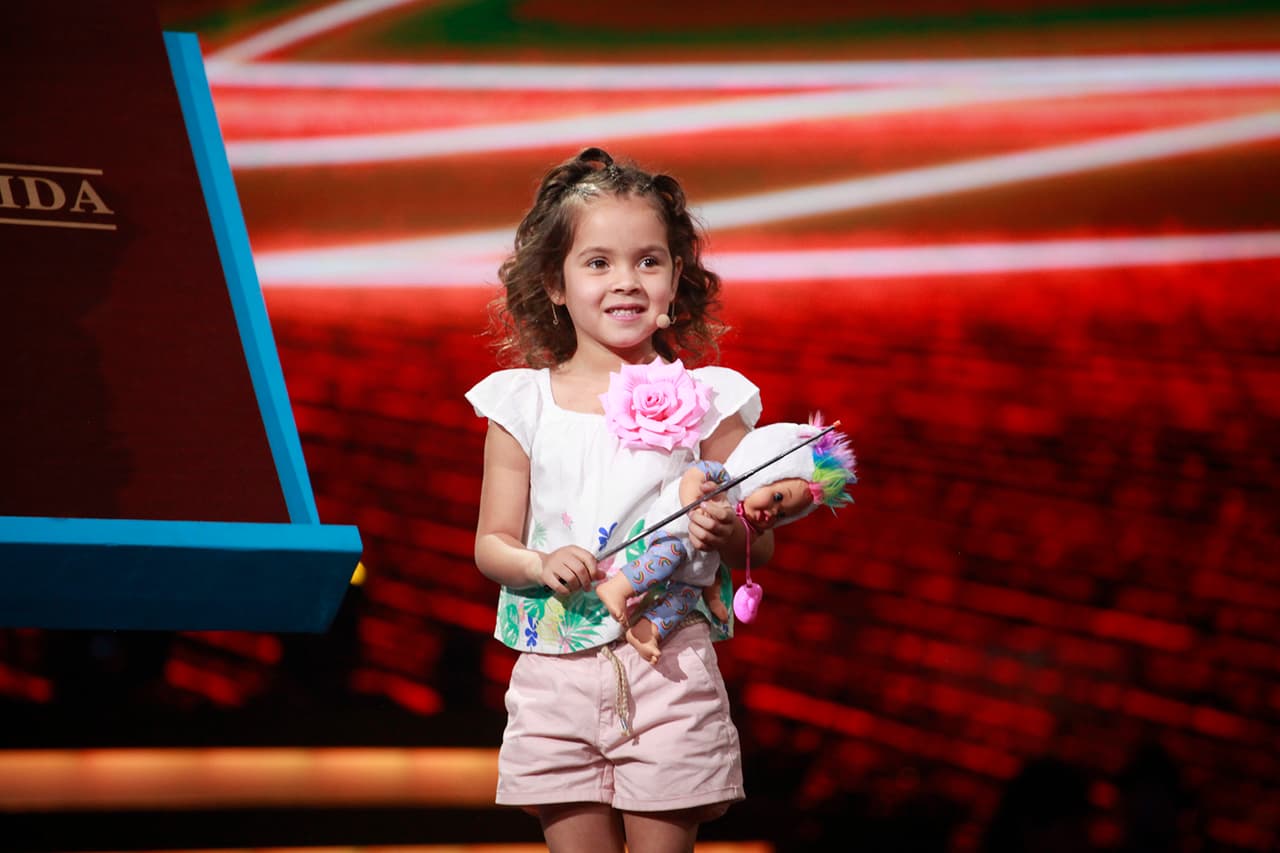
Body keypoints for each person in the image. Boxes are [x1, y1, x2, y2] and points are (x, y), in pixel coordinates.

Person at [467, 147, 770, 852]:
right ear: (554, 281)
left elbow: (762, 541)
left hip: (669, 667)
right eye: (598, 262)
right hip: (556, 681)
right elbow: (492, 543)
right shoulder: (523, 406)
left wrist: (728, 526)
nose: (625, 281)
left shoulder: (710, 403)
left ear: (675, 281)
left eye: (649, 261)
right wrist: (541, 564)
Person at [597, 417, 856, 665]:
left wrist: (714, 600)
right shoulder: (723, 478)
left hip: (692, 570)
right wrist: (692, 507)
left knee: (685, 597)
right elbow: (693, 477)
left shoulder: (741, 527)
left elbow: (715, 567)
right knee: (669, 556)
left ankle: (647, 630)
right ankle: (618, 587)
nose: (774, 513)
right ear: (764, 472)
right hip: (675, 534)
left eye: (783, 514)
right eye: (778, 498)